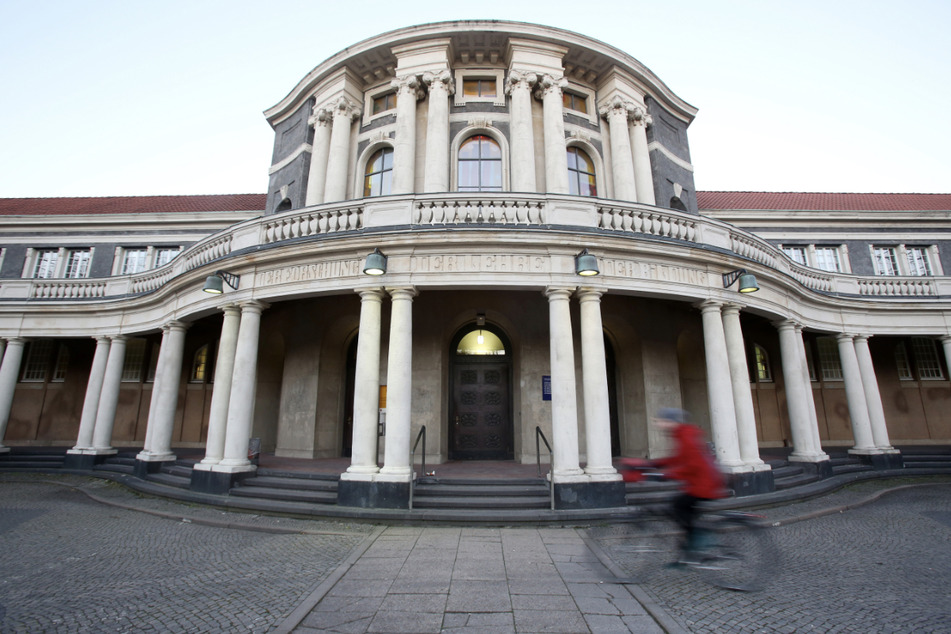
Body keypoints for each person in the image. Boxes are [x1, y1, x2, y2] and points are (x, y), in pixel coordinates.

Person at [650, 407, 726, 562]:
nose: (659, 424)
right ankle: (693, 545)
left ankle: (699, 543)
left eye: (662, 421)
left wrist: (668, 474)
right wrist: (653, 464)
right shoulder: (682, 433)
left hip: (704, 485)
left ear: (671, 422)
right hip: (700, 483)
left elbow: (693, 465)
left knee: (678, 506)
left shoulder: (685, 435)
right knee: (684, 510)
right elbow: (678, 459)